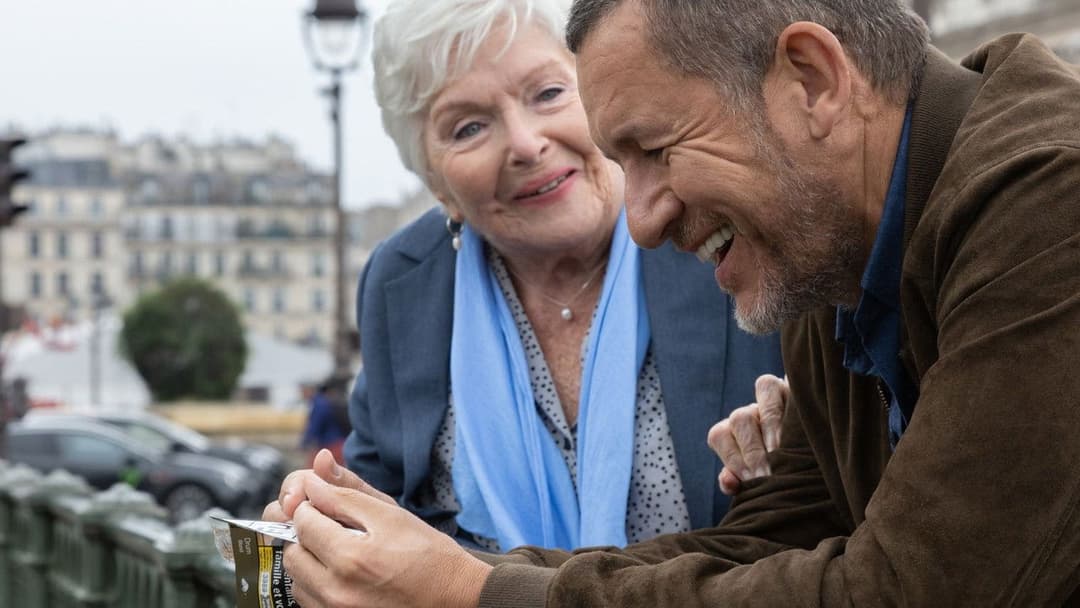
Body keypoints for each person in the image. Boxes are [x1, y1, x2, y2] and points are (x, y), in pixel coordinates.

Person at [267, 0, 1080, 605]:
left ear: (814, 79)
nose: (643, 218)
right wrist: (449, 573)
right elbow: (767, 543)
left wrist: (471, 594)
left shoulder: (1050, 198)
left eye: (654, 151)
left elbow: (904, 591)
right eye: (468, 129)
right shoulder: (828, 239)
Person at [335, 0, 782, 555]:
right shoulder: (402, 282)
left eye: (548, 94)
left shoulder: (718, 222)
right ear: (438, 187)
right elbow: (382, 502)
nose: (525, 143)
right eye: (469, 127)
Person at [299, 378, 351, 467]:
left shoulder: (319, 404)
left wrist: (304, 442)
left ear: (309, 390)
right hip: (338, 443)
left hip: (331, 445)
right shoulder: (323, 401)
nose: (301, 394)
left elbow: (315, 425)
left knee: (315, 471)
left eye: (303, 391)